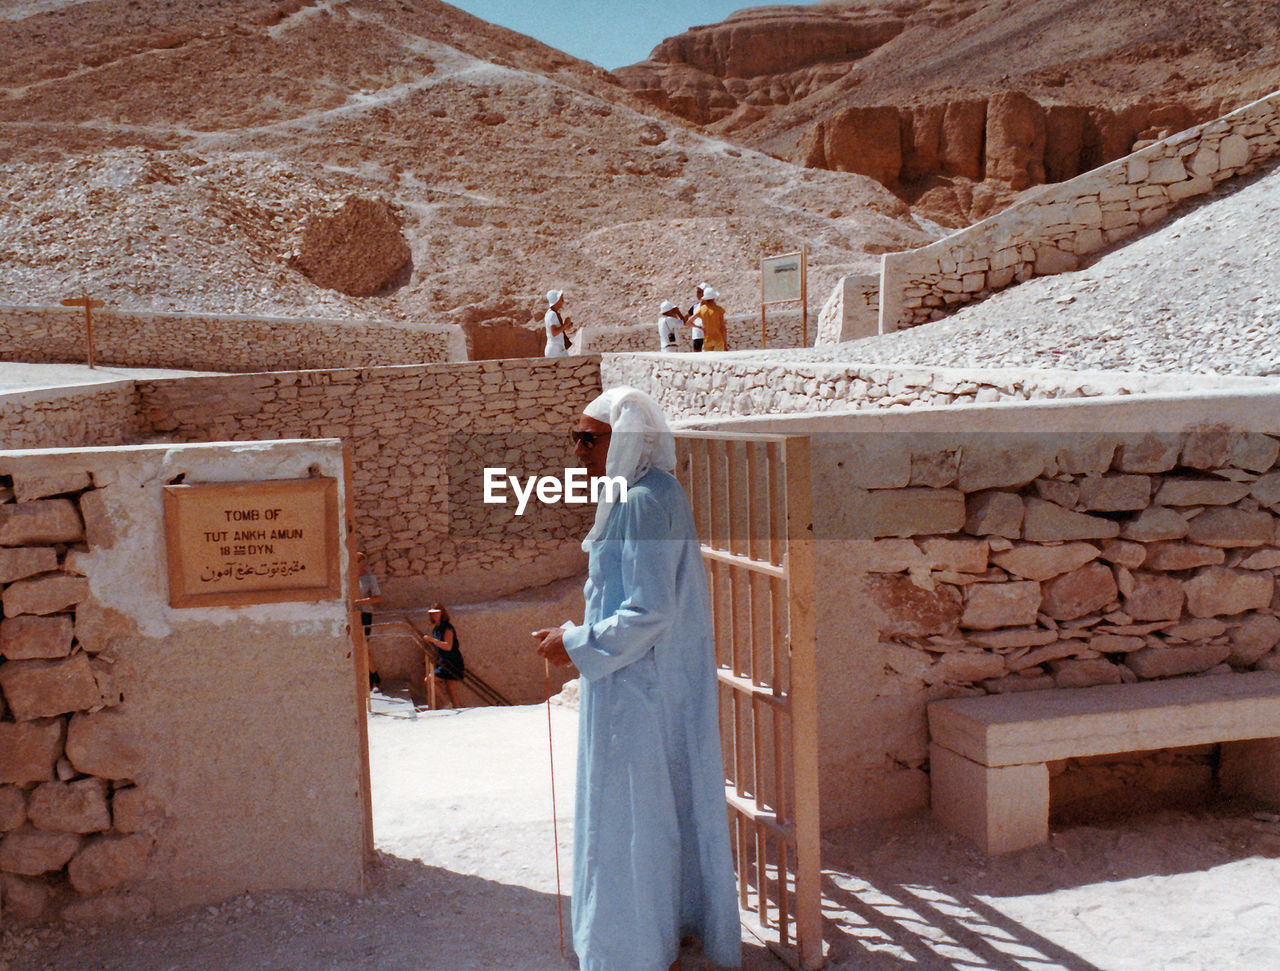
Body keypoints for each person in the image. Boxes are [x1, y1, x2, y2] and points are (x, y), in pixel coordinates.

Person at [533, 387, 740, 971]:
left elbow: (649, 610)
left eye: (589, 440)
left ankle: (635, 951)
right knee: (641, 812)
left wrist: (574, 644)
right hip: (627, 680)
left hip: (638, 689)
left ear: (624, 440)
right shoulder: (636, 495)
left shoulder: (648, 500)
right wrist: (576, 638)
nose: (578, 453)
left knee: (633, 816)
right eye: (575, 439)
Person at [424, 602, 465, 709]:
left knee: (451, 691)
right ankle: (449, 705)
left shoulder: (447, 627)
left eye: (437, 613)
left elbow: (448, 646)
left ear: (442, 614)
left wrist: (432, 640)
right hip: (444, 662)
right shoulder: (436, 629)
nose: (434, 616)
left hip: (452, 662)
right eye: (432, 614)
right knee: (450, 690)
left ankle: (447, 704)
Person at [353, 551, 382, 691]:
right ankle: (373, 677)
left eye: (358, 560)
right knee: (358, 646)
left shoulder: (369, 578)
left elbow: (377, 598)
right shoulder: (349, 578)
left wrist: (359, 602)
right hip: (352, 615)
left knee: (363, 645)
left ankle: (373, 678)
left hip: (364, 614)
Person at [692, 286, 727, 352]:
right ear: (713, 298)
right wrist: (725, 343)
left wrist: (699, 327)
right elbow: (723, 328)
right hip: (718, 339)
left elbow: (689, 322)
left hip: (707, 340)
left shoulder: (702, 309)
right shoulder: (719, 309)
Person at [544, 289, 573, 358]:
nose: (563, 301)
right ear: (556, 301)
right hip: (554, 350)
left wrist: (566, 326)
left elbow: (558, 330)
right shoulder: (552, 314)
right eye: (561, 299)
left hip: (558, 348)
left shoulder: (553, 313)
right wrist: (565, 324)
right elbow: (554, 333)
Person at [687, 283, 707, 351]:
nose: (697, 294)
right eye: (697, 292)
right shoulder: (695, 307)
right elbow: (686, 319)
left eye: (699, 292)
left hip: (708, 336)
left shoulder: (713, 307)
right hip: (697, 337)